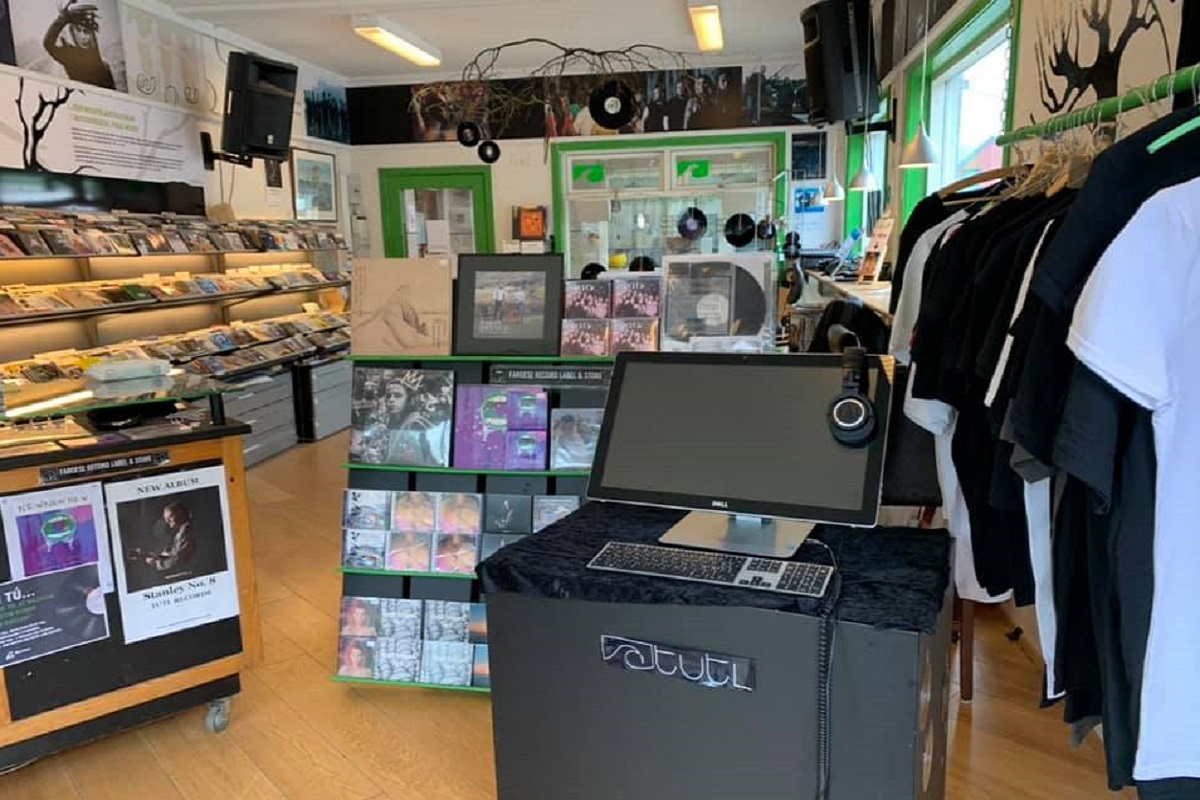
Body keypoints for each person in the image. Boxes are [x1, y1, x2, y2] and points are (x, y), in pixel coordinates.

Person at [43, 1, 117, 90]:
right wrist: (63, 18)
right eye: (78, 30)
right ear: (73, 32)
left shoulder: (101, 63)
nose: (83, 37)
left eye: (86, 32)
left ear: (91, 34)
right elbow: (48, 43)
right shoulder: (70, 56)